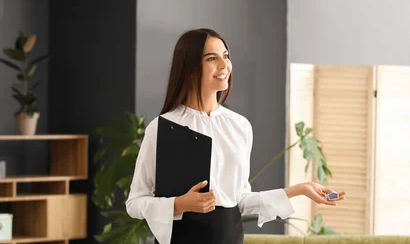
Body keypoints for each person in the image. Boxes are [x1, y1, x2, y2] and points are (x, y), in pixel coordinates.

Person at [125, 28, 346, 244]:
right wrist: (179, 204)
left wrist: (300, 189)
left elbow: (240, 200)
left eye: (226, 56)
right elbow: (135, 203)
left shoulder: (239, 126)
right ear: (190, 68)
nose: (224, 65)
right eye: (212, 58)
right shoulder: (163, 128)